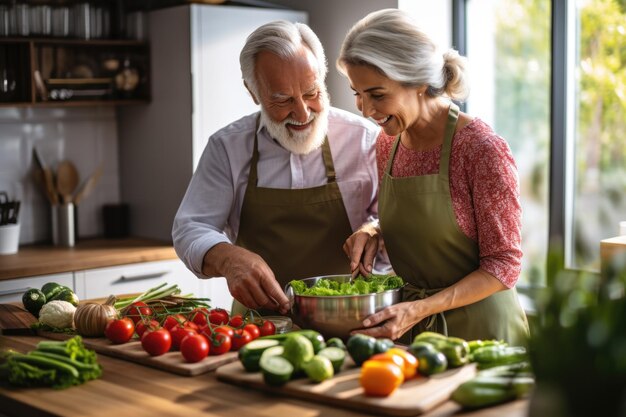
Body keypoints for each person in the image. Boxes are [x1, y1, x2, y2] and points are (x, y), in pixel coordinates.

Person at [338, 9, 530, 345]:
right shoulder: (388, 143)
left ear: (419, 81)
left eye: (377, 95)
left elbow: (504, 265)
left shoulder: (481, 149)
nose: (366, 111)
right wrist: (375, 230)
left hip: (484, 336)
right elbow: (426, 223)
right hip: (415, 331)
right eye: (358, 93)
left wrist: (422, 308)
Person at [172, 20, 382, 316]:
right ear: (253, 93)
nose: (303, 112)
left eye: (312, 92)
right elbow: (191, 227)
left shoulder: (365, 139)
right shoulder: (227, 147)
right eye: (283, 99)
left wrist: (376, 229)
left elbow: (391, 220)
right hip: (256, 326)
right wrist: (226, 256)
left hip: (350, 318)